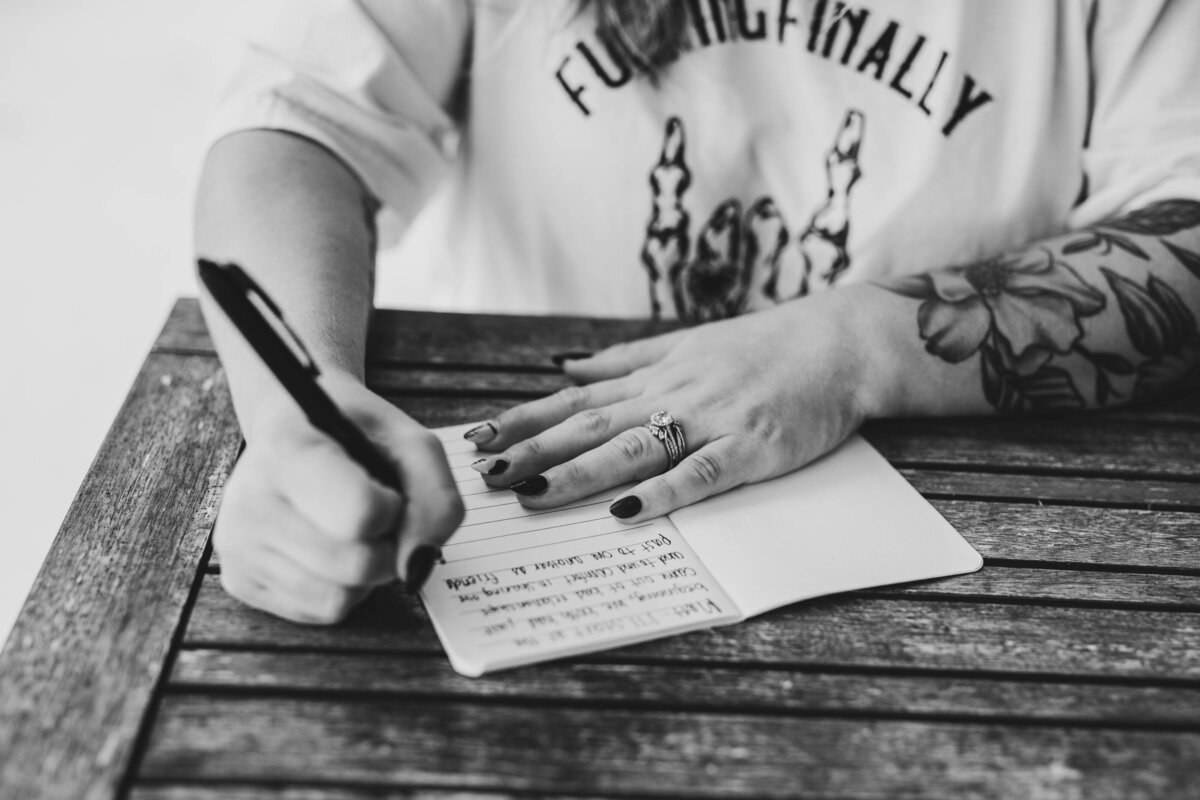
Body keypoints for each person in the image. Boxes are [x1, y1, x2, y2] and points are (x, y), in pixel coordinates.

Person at [196, 0, 1200, 625]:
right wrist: (300, 412)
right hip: (532, 514)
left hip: (991, 546)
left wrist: (850, 344)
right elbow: (293, 132)